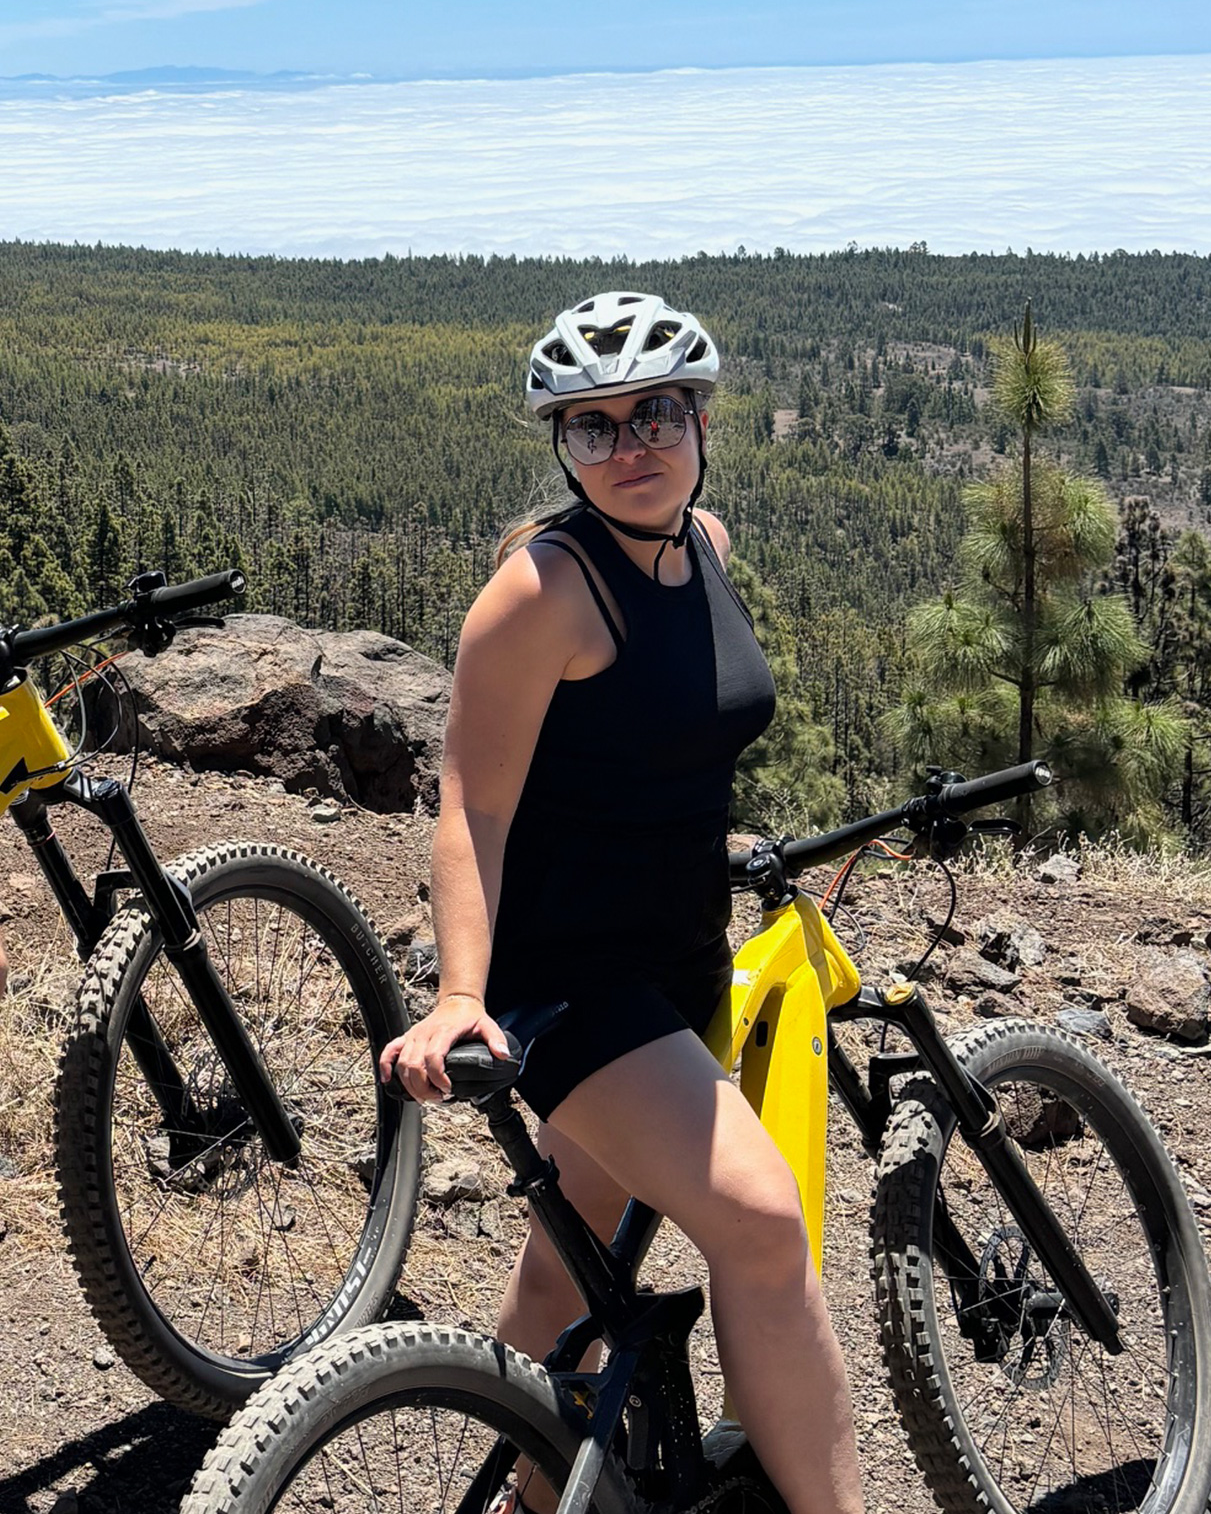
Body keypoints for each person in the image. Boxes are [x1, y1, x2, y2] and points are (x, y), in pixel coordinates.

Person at [377, 292, 865, 1514]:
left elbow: (665, 738)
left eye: (654, 413)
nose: (629, 444)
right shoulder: (541, 593)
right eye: (592, 427)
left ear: (700, 418)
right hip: (575, 986)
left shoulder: (706, 544)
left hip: (682, 953)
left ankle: (538, 1500)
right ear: (560, 448)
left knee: (564, 1278)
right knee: (758, 1228)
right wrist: (461, 997)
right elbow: (469, 810)